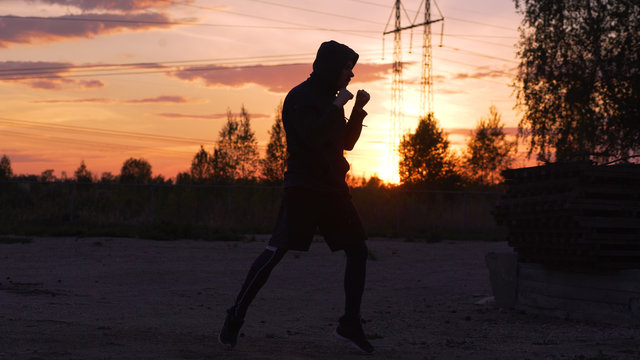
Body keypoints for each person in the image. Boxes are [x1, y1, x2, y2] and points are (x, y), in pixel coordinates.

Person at [218, 40, 374, 354]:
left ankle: (349, 323)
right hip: (303, 188)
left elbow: (345, 143)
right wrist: (335, 107)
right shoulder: (300, 97)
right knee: (275, 252)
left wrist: (355, 109)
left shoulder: (333, 100)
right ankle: (235, 315)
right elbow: (311, 137)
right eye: (346, 68)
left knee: (357, 249)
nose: (351, 75)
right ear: (331, 68)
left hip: (333, 188)